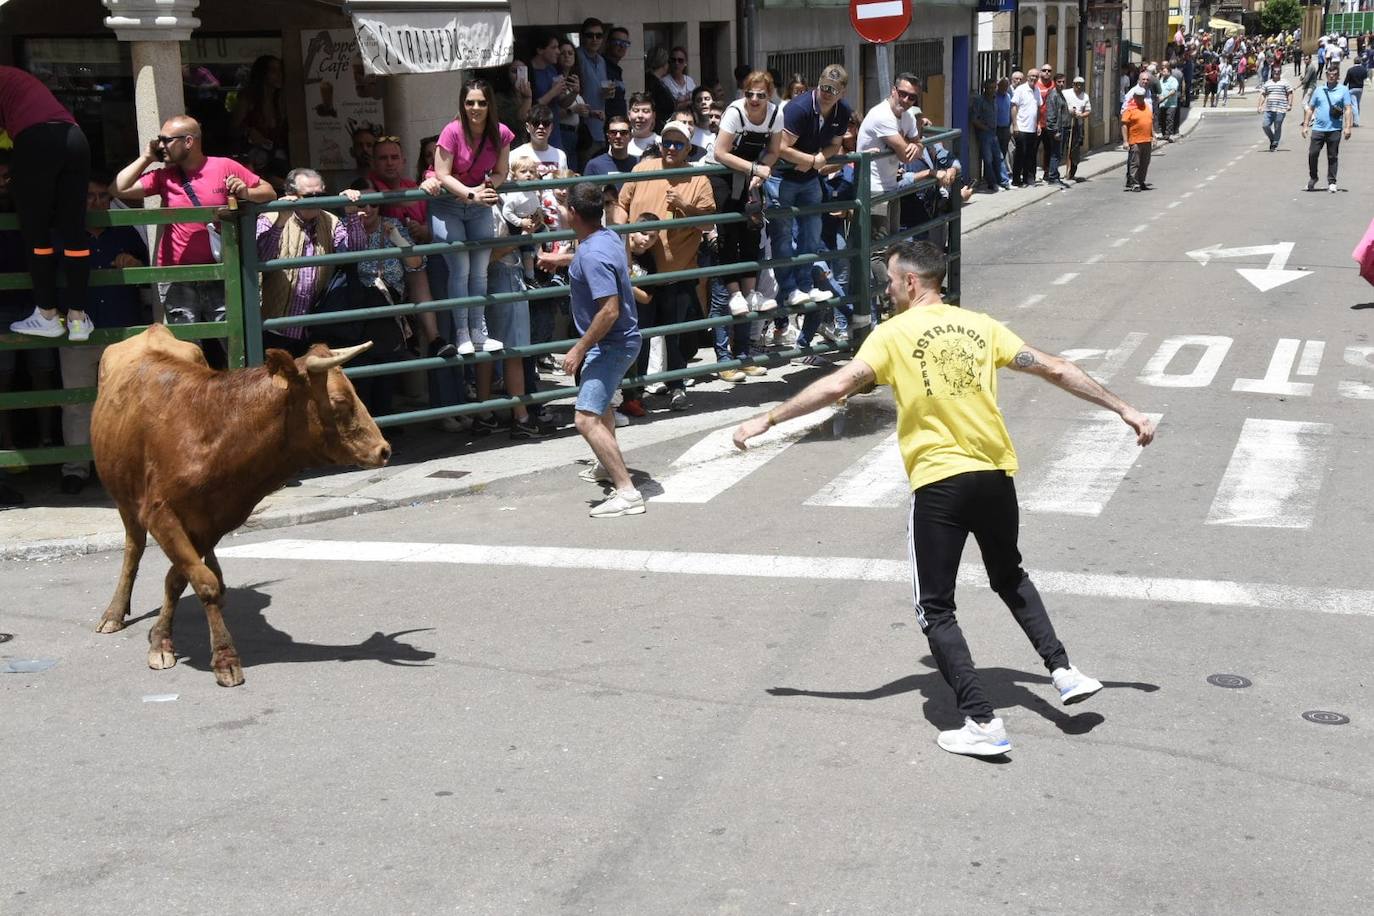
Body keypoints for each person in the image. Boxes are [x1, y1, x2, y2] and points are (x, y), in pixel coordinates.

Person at [733, 240, 1156, 757]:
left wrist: (768, 418)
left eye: (890, 280)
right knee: (1009, 576)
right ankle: (1064, 671)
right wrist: (1125, 409)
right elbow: (1057, 367)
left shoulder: (891, 334)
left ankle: (982, 721)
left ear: (911, 283)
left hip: (941, 481)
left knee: (934, 607)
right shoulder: (980, 325)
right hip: (995, 473)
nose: (887, 289)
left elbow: (839, 385)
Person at [113, 114, 276, 358]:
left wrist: (245, 192)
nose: (161, 145)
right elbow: (118, 188)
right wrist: (147, 157)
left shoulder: (224, 166)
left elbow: (269, 192)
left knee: (234, 346)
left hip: (221, 272)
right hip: (178, 277)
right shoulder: (165, 176)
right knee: (186, 353)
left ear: (188, 141)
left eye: (166, 140)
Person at [613, 120, 715, 412]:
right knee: (638, 336)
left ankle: (677, 386)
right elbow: (621, 205)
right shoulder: (642, 170)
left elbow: (708, 222)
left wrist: (685, 205)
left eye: (678, 144)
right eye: (667, 142)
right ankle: (634, 394)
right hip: (640, 273)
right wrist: (621, 239)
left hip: (678, 272)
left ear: (689, 149)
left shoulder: (698, 180)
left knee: (676, 336)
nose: (671, 148)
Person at [57, 173, 149, 493]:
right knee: (77, 401)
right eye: (89, 196)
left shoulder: (125, 231)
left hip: (122, 329)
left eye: (103, 197)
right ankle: (76, 468)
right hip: (78, 330)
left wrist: (134, 264)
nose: (97, 203)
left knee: (126, 400)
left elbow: (148, 274)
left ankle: (125, 467)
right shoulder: (64, 234)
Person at [566, 181, 645, 518]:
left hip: (610, 345)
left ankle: (627, 492)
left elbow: (609, 310)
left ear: (572, 213)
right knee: (601, 409)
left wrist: (580, 348)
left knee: (585, 419)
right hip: (615, 343)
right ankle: (604, 464)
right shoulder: (607, 237)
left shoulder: (592, 253)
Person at [2, 65, 95, 341]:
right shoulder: (13, 78)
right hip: (75, 139)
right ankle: (78, 318)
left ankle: (47, 315)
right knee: (74, 230)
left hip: (35, 141)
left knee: (36, 233)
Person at [427, 78, 511, 354]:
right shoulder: (451, 131)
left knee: (480, 271)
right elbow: (441, 174)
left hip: (477, 205)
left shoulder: (500, 133)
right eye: (470, 102)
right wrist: (472, 194)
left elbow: (501, 172)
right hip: (448, 204)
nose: (475, 107)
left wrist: (489, 189)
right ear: (462, 105)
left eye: (482, 102)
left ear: (490, 105)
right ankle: (462, 333)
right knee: (461, 268)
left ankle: (479, 331)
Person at [770, 62, 850, 332]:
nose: (827, 93)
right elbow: (780, 147)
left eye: (833, 90)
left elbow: (836, 144)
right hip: (782, 178)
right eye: (824, 87)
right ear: (818, 83)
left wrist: (819, 160)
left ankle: (805, 285)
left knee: (812, 232)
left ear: (842, 92)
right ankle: (790, 288)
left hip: (808, 178)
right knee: (782, 234)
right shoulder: (799, 108)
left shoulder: (843, 111)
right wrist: (810, 160)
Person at [255, 168, 365, 356]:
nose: (315, 200)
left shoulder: (331, 221)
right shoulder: (270, 217)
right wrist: (281, 220)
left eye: (320, 195)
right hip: (272, 328)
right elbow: (259, 257)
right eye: (308, 196)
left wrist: (352, 212)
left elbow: (355, 254)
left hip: (313, 330)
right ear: (290, 195)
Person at [708, 69, 783, 316]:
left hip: (753, 174)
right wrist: (755, 169)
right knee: (728, 231)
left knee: (752, 227)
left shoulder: (775, 114)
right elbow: (720, 152)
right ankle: (734, 293)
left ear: (769, 95)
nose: (754, 99)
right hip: (723, 173)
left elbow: (773, 150)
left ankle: (751, 292)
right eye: (749, 93)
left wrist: (762, 172)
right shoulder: (734, 112)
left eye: (760, 95)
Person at [367, 135, 451, 357]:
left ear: (404, 161)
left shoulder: (412, 185)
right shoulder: (368, 184)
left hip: (416, 256)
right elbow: (384, 200)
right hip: (382, 261)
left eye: (394, 157)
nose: (390, 162)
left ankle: (434, 339)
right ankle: (427, 337)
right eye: (383, 158)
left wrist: (423, 230)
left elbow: (432, 225)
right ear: (374, 163)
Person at [229, 54, 289, 188]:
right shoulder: (248, 99)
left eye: (281, 71)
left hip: (277, 161)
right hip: (253, 160)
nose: (279, 75)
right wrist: (249, 132)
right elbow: (232, 129)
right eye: (274, 71)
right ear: (262, 74)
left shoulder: (281, 100)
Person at [1302, 64, 1354, 192]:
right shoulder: (1319, 90)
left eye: (1335, 74)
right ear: (1326, 75)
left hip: (1334, 129)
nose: (1332, 76)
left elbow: (1348, 109)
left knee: (1332, 156)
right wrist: (1305, 125)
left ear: (1338, 76)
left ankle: (1332, 182)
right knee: (1312, 154)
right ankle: (1313, 178)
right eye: (1330, 74)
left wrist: (1348, 127)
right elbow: (1310, 109)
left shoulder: (1343, 90)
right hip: (1318, 128)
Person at [576, 18, 612, 161]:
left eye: (599, 35)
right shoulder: (577, 56)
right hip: (582, 128)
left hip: (600, 127)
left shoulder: (602, 60)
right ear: (582, 37)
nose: (595, 39)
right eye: (590, 35)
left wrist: (607, 93)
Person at [583, 114, 637, 193]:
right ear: (608, 136)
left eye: (623, 132)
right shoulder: (594, 165)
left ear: (630, 136)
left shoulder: (638, 163)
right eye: (613, 132)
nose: (618, 136)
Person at [511, 105, 569, 178]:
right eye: (536, 123)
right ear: (527, 127)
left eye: (546, 123)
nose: (541, 127)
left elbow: (564, 184)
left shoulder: (560, 155)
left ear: (551, 127)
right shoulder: (514, 155)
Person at [969, 78, 1003, 192]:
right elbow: (974, 119)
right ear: (985, 88)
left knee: (998, 158)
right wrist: (985, 128)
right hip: (985, 133)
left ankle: (1002, 181)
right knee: (988, 159)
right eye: (990, 88)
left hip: (994, 132)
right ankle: (992, 183)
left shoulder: (994, 99)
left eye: (994, 88)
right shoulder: (980, 101)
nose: (992, 90)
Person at [1009, 70, 1040, 187]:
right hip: (1021, 128)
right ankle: (1016, 180)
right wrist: (1015, 125)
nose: (1034, 78)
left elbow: (1037, 109)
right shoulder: (1020, 90)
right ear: (1027, 77)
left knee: (1030, 155)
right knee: (1020, 155)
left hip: (1032, 129)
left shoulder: (1036, 90)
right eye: (1032, 76)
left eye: (1036, 76)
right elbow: (1014, 107)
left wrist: (1038, 125)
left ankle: (1027, 178)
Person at [1121, 88, 1154, 191]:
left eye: (1142, 97)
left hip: (1147, 140)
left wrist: (1154, 136)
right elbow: (1124, 125)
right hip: (1135, 140)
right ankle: (1134, 183)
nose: (1140, 99)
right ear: (1134, 97)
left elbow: (1150, 122)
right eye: (1138, 97)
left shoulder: (1147, 107)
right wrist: (1125, 141)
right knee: (1135, 163)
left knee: (1145, 163)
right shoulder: (1130, 109)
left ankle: (1141, 181)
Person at [1043, 73, 1071, 186]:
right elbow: (1050, 115)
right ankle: (1052, 177)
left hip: (1063, 127)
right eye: (1059, 82)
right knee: (1055, 153)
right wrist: (1055, 130)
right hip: (1057, 129)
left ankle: (1055, 175)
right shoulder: (1053, 95)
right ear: (1055, 82)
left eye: (1063, 82)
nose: (1061, 84)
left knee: (1059, 154)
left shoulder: (1060, 94)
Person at [1062, 75, 1092, 180]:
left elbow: (1088, 111)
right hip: (1065, 122)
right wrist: (1068, 111)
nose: (1078, 87)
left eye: (1081, 85)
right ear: (1073, 84)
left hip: (1077, 124)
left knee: (1074, 149)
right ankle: (1064, 171)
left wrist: (1081, 115)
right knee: (1065, 148)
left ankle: (1071, 172)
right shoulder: (1065, 93)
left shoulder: (1085, 96)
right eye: (1076, 84)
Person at [1258, 70, 1294, 151]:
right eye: (1275, 72)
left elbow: (1290, 93)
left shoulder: (1285, 83)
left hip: (1281, 109)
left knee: (1277, 126)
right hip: (1269, 108)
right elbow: (1263, 95)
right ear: (1272, 73)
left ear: (1280, 73)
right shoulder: (1267, 83)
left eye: (1278, 72)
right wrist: (1260, 105)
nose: (1276, 73)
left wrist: (1289, 104)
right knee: (1265, 125)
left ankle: (1275, 143)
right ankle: (1272, 139)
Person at [604, 26, 630, 121]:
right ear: (608, 43)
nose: (622, 46)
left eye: (625, 43)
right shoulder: (601, 65)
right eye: (618, 42)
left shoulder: (616, 69)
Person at [625, 91, 660, 158]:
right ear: (629, 115)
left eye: (645, 111)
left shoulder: (661, 143)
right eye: (636, 111)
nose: (640, 115)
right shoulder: (620, 141)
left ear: (653, 116)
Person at [1158, 64, 1181, 141]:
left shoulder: (1173, 80)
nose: (1162, 73)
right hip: (1162, 104)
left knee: (1169, 119)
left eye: (1164, 71)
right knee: (1162, 119)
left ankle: (1169, 135)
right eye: (1162, 71)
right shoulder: (1161, 80)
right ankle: (1164, 134)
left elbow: (1173, 91)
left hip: (1171, 104)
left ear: (1169, 72)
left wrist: (1164, 97)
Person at [1344, 58, 1367, 127]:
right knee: (1357, 104)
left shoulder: (1350, 70)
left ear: (1354, 62)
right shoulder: (1363, 69)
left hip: (1352, 88)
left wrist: (1343, 86)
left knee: (1354, 105)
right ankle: (1356, 120)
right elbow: (1365, 77)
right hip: (1360, 88)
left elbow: (1346, 80)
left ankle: (1356, 122)